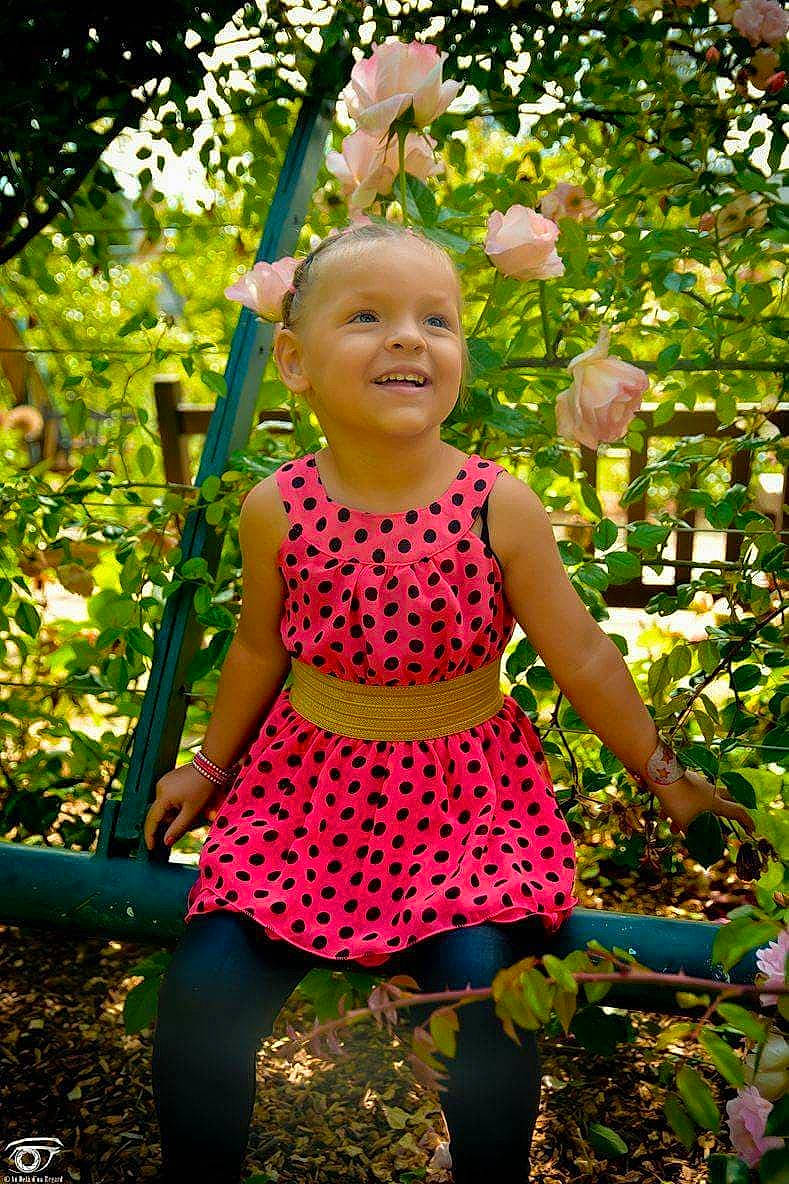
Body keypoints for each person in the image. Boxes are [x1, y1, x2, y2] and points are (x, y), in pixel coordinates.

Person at [144, 221, 755, 1184]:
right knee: (203, 1000)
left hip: (462, 811)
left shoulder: (494, 504)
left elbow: (583, 656)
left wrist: (665, 775)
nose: (407, 336)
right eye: (367, 316)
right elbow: (259, 648)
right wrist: (209, 769)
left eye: (437, 319)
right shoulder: (277, 509)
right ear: (295, 363)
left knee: (481, 1007)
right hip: (302, 806)